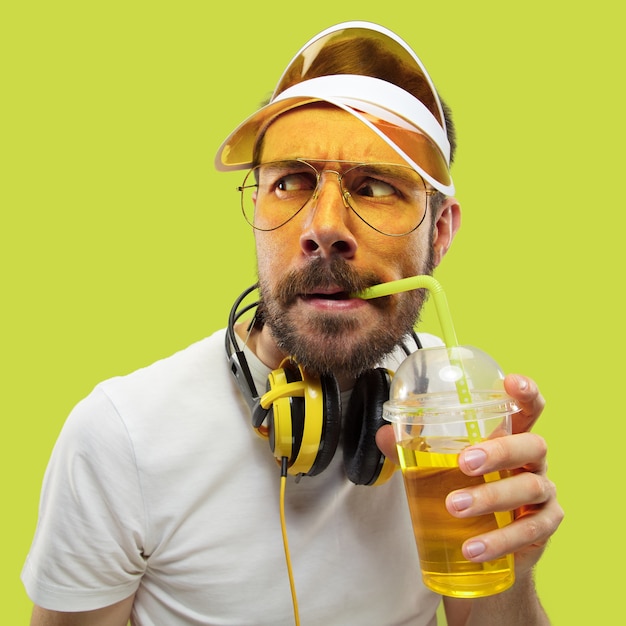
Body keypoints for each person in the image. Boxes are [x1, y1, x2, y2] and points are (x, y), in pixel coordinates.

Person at [22, 21, 563, 626]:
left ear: (439, 232)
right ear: (257, 212)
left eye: (375, 185)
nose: (323, 226)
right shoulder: (120, 437)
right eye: (290, 182)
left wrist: (508, 572)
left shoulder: (451, 413)